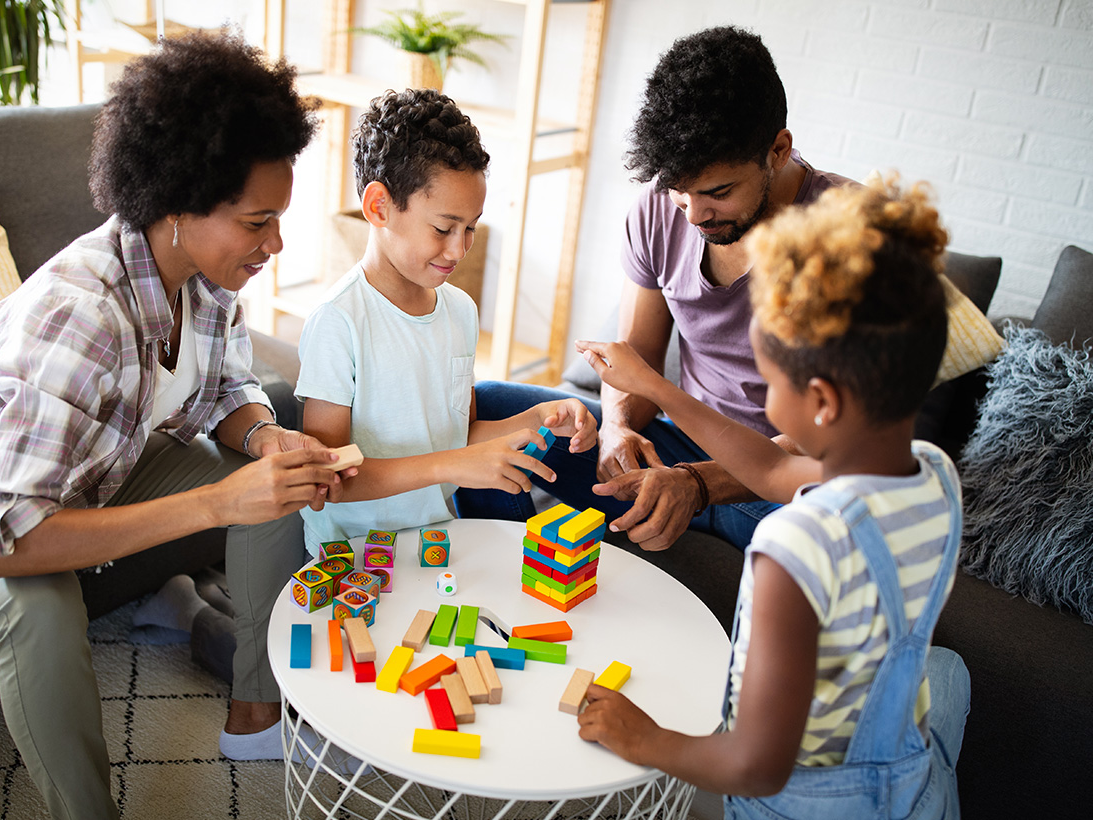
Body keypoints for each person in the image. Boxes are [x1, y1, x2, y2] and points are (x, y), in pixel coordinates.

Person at [0, 32, 346, 820]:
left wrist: (266, 440)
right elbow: (10, 542)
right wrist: (215, 503)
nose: (275, 245)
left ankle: (253, 716)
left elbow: (226, 390)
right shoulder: (82, 314)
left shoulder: (201, 278)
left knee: (278, 489)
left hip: (91, 471)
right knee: (35, 604)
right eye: (257, 222)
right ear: (177, 203)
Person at [574, 178, 971, 819]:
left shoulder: (796, 546)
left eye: (771, 383)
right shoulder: (932, 475)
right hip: (904, 775)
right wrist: (659, 389)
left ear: (822, 400)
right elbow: (768, 465)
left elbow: (756, 765)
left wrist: (643, 737)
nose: (763, 402)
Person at [456, 26, 852, 552]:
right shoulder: (658, 209)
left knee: (818, 531)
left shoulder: (852, 236)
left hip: (782, 481)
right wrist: (617, 428)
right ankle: (505, 581)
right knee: (488, 411)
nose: (695, 214)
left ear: (778, 150)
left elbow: (823, 446)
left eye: (718, 192)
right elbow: (636, 357)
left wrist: (696, 483)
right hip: (677, 444)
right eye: (678, 191)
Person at [295, 88, 596, 548]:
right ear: (379, 207)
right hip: (352, 556)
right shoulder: (339, 323)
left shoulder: (459, 310)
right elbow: (326, 478)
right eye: (443, 228)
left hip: (436, 542)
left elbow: (462, 434)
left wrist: (538, 418)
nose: (459, 249)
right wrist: (449, 465)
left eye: (471, 227)